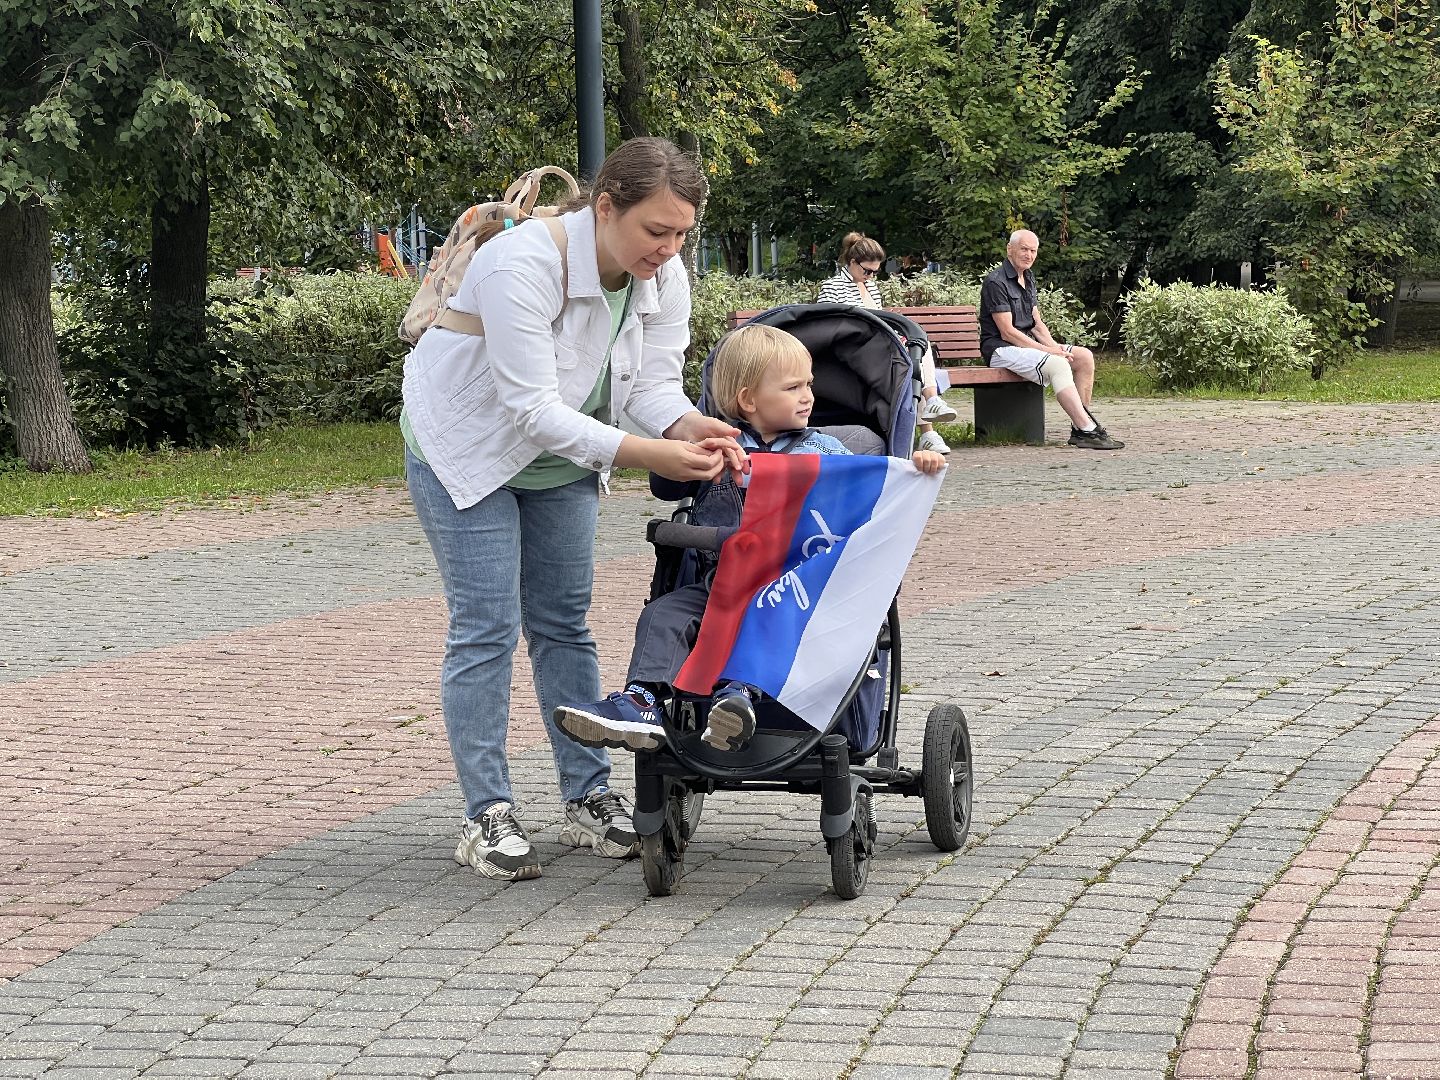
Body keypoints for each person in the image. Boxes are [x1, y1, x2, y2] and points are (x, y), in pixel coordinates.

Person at [400, 137, 745, 882]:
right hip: (470, 449)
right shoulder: (521, 261)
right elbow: (530, 408)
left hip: (563, 459)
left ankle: (587, 794)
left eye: (682, 233)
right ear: (607, 206)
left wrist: (689, 426)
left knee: (564, 620)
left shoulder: (665, 275)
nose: (669, 248)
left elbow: (654, 387)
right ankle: (485, 814)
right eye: (657, 231)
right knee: (486, 625)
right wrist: (650, 454)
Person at [552, 323, 946, 755]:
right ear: (747, 400)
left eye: (809, 384)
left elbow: (871, 491)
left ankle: (737, 699)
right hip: (718, 582)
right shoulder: (720, 445)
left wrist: (916, 466)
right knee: (664, 614)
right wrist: (684, 457)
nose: (809, 396)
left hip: (792, 590)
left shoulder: (826, 451)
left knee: (764, 618)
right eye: (793, 387)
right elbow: (665, 489)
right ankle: (642, 700)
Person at [979, 230, 1124, 450]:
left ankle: (1079, 427)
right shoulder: (995, 282)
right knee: (1057, 364)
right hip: (1000, 349)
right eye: (1024, 249)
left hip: (1026, 346)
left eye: (1033, 251)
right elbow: (1007, 332)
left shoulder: (1028, 277)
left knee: (1082, 356)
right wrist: (1050, 353)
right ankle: (1088, 429)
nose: (1028, 255)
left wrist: (1055, 347)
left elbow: (1036, 323)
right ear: (1010, 249)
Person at [817, 232, 957, 454]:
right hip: (851, 351)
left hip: (877, 345)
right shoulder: (832, 286)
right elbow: (828, 327)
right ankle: (929, 426)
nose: (871, 277)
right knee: (908, 360)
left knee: (918, 346)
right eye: (867, 271)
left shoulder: (871, 287)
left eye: (875, 272)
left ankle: (931, 408)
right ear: (852, 262)